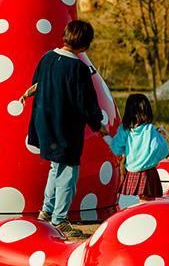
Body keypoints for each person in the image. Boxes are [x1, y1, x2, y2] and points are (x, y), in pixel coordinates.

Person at [21, 20, 108, 237]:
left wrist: (27, 94)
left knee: (55, 168)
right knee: (68, 173)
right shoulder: (78, 68)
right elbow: (86, 103)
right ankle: (60, 218)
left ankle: (46, 212)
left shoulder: (47, 58)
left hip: (46, 125)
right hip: (66, 128)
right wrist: (99, 124)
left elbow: (39, 83)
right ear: (85, 45)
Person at [109, 94, 169, 201]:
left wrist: (107, 137)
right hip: (148, 172)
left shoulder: (124, 129)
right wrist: (161, 137)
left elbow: (116, 149)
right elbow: (162, 150)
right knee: (148, 201)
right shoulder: (150, 129)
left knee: (137, 201)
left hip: (132, 172)